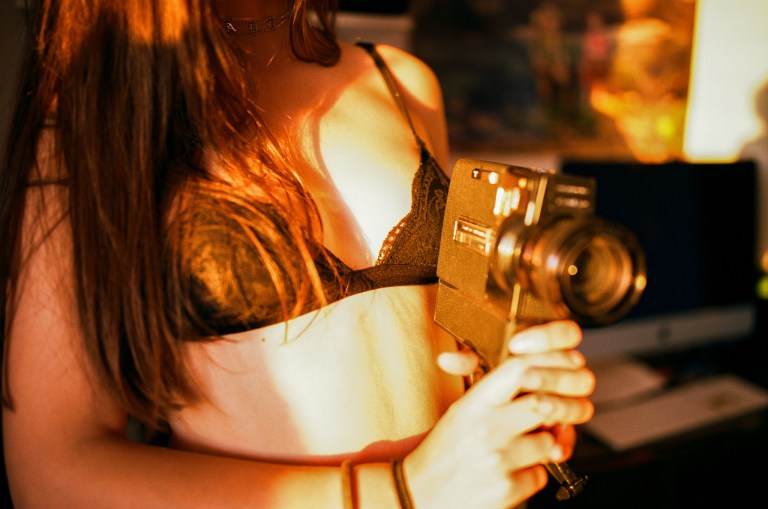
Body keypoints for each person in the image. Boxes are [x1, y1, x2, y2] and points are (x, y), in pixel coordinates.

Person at [0, 1, 595, 507]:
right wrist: (403, 491)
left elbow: (434, 340)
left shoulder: (402, 80)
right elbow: (51, 471)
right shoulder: (94, 129)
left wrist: (509, 385)